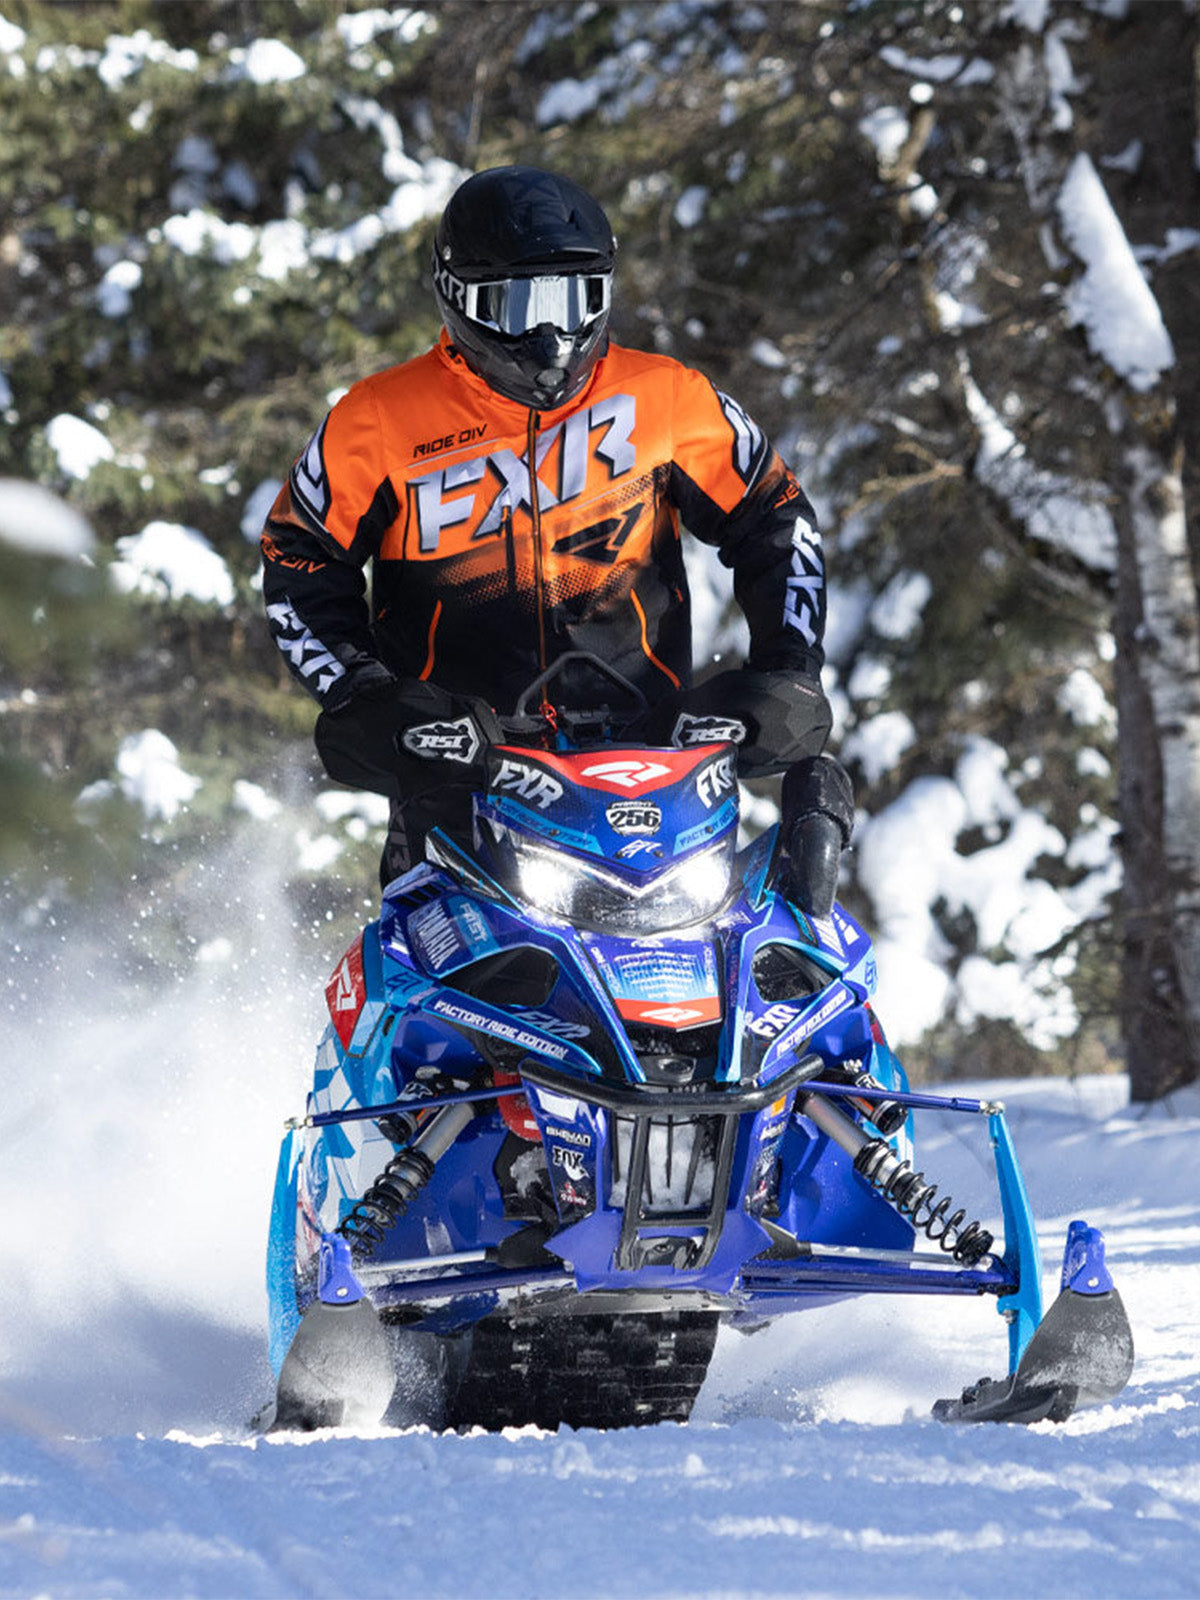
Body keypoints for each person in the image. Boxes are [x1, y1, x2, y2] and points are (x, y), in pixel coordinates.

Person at [261, 164, 837, 887]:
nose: (549, 335)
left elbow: (774, 520)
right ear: (456, 298)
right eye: (514, 306)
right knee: (453, 983)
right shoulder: (378, 422)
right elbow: (300, 559)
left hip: (653, 772)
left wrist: (788, 669)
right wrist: (363, 692)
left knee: (705, 970)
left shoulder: (667, 399)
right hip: (463, 777)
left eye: (575, 300)